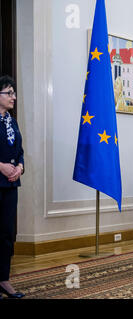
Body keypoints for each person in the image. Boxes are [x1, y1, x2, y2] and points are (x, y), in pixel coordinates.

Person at [0, 75, 25, 298]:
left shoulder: (12, 122)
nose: (13, 97)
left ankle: (3, 279)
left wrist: (19, 167)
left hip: (10, 185)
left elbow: (20, 152)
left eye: (13, 93)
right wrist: (0, 166)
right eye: (9, 93)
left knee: (7, 233)